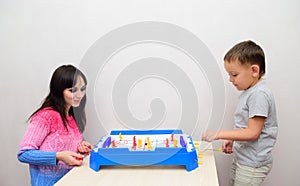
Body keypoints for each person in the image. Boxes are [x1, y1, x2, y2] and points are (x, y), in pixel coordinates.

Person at [202, 40, 278, 186]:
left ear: (254, 71)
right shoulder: (250, 92)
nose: (230, 79)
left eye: (234, 74)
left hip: (252, 163)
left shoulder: (259, 95)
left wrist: (219, 134)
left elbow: (252, 133)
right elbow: (246, 127)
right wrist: (233, 139)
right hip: (244, 158)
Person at [18, 64, 92, 186]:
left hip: (71, 180)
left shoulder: (71, 115)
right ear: (59, 90)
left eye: (82, 89)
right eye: (72, 90)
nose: (79, 95)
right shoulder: (45, 116)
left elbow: (64, 145)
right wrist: (58, 156)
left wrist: (81, 147)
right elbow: (24, 153)